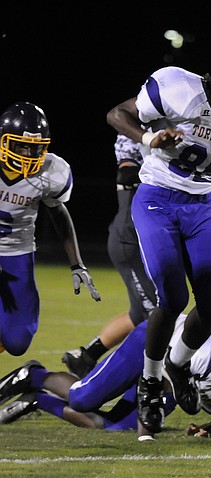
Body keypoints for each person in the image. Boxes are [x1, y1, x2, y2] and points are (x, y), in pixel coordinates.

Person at [105, 42, 211, 436]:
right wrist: (147, 139)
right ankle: (151, 382)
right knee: (172, 295)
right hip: (157, 199)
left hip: (201, 207)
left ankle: (178, 365)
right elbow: (117, 114)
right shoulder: (179, 88)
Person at [0, 315, 211, 438]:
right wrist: (146, 428)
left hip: (177, 379)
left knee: (112, 426)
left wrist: (209, 429)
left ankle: (36, 401)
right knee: (82, 399)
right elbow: (157, 378)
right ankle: (34, 375)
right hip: (157, 345)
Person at [0, 102, 100, 357]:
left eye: (35, 148)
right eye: (21, 146)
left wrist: (77, 264)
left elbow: (58, 213)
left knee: (17, 341)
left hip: (17, 252)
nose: (28, 154)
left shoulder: (52, 172)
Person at [61, 135, 157, 377]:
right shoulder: (139, 135)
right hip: (130, 241)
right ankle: (107, 379)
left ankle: (86, 357)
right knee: (157, 316)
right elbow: (126, 173)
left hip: (144, 242)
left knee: (139, 313)